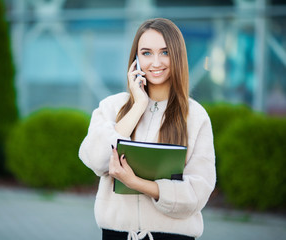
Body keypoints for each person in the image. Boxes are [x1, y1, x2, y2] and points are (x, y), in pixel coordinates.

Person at [79, 18, 216, 240]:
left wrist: (138, 184)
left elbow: (197, 192)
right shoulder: (112, 106)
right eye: (146, 53)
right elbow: (95, 159)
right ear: (135, 59)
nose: (155, 62)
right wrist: (137, 106)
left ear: (177, 56)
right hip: (117, 234)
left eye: (165, 52)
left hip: (172, 235)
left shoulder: (195, 115)